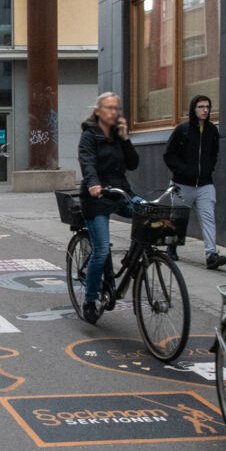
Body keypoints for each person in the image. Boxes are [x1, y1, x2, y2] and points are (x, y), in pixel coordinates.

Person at [78, 92, 139, 324]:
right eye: (110, 108)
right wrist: (93, 183)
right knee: (101, 250)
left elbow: (133, 164)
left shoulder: (117, 136)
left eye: (117, 108)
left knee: (149, 216)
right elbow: (87, 161)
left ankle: (133, 261)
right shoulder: (89, 135)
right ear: (98, 111)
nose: (114, 112)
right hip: (96, 198)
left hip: (120, 193)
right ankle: (91, 300)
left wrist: (125, 138)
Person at [163, 94, 226, 269]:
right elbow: (169, 155)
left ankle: (211, 255)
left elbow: (214, 154)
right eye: (201, 107)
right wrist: (182, 170)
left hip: (205, 184)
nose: (205, 110)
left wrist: (208, 169)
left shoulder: (212, 131)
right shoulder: (182, 130)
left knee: (208, 218)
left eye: (207, 107)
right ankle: (172, 246)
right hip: (182, 184)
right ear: (193, 109)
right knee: (178, 219)